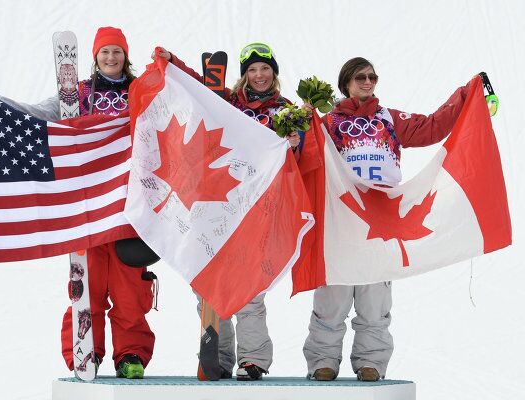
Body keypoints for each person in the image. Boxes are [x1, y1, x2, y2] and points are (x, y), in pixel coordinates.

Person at [0, 27, 156, 379]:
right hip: (88, 204)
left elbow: (176, 113)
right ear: (95, 57)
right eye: (104, 53)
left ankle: (131, 355)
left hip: (131, 205)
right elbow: (40, 113)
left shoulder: (142, 92)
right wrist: (2, 107)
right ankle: (87, 351)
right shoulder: (77, 94)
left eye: (117, 52)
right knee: (89, 283)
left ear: (125, 56)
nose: (111, 58)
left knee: (130, 286)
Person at [302, 57, 472, 381]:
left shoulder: (389, 119)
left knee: (374, 299)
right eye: (360, 77)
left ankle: (371, 362)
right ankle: (323, 361)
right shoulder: (327, 122)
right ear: (345, 83)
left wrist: (465, 94)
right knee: (332, 296)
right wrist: (303, 118)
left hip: (382, 220)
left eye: (372, 77)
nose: (367, 82)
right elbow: (304, 155)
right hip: (341, 219)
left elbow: (433, 127)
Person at [155, 42, 301, 381]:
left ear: (274, 73)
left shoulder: (286, 109)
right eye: (252, 69)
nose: (260, 75)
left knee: (250, 287)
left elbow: (304, 157)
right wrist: (173, 62)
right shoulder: (228, 103)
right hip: (219, 202)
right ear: (245, 74)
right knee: (210, 281)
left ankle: (253, 358)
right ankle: (217, 354)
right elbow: (201, 88)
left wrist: (297, 143)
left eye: (265, 69)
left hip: (260, 208)